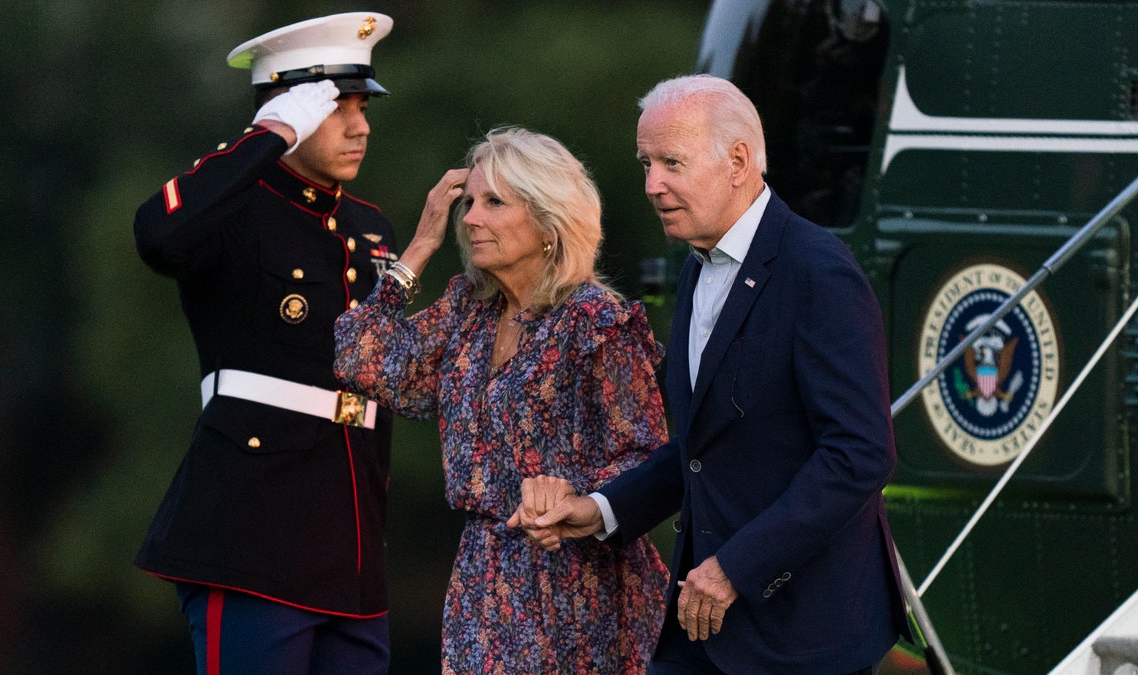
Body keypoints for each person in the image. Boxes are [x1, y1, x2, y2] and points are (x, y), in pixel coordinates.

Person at [514, 74, 911, 674]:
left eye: (672, 162)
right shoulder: (698, 267)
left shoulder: (819, 271)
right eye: (646, 163)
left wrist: (735, 568)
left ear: (739, 162)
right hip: (706, 632)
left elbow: (860, 454)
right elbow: (707, 445)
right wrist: (603, 509)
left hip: (801, 638)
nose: (653, 185)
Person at [332, 127, 670, 673]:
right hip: (481, 578)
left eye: (494, 202)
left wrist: (576, 493)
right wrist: (418, 248)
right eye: (469, 202)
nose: (469, 218)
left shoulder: (598, 322)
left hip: (576, 583)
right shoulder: (468, 309)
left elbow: (647, 457)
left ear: (546, 221)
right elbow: (359, 360)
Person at [132, 12, 400, 674]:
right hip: (252, 536)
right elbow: (160, 238)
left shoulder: (367, 225)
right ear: (290, 107)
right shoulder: (231, 207)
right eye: (337, 107)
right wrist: (266, 137)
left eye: (363, 106)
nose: (359, 126)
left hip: (352, 545)